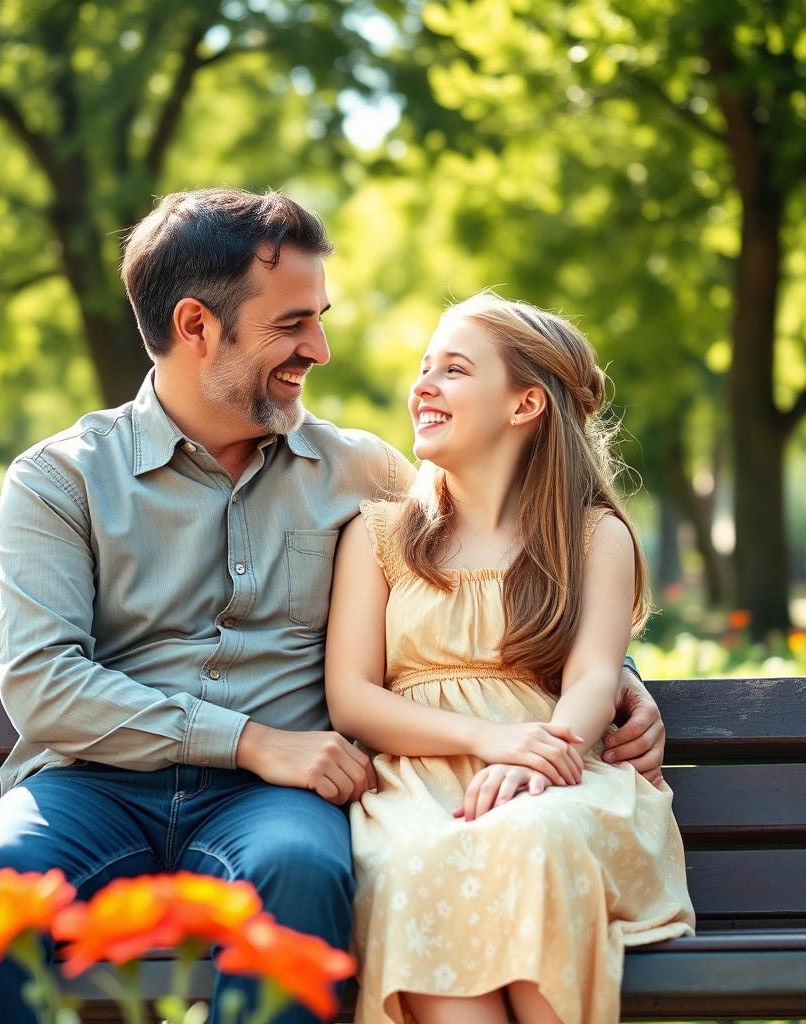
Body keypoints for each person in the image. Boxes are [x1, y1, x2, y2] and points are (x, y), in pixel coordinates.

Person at [0, 190, 668, 1024]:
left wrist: (619, 678)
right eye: (291, 325)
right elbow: (44, 683)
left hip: (271, 807)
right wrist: (254, 742)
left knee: (304, 872)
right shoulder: (61, 481)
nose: (321, 348)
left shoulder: (365, 474)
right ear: (198, 326)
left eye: (320, 318)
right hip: (93, 789)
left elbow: (497, 560)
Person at [325, 292, 695, 1024]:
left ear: (526, 404)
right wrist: (488, 741)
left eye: (454, 369)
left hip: (556, 778)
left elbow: (593, 674)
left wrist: (535, 755)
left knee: (533, 835)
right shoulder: (379, 536)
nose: (423, 385)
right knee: (417, 863)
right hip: (419, 792)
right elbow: (353, 697)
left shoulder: (592, 538)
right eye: (424, 367)